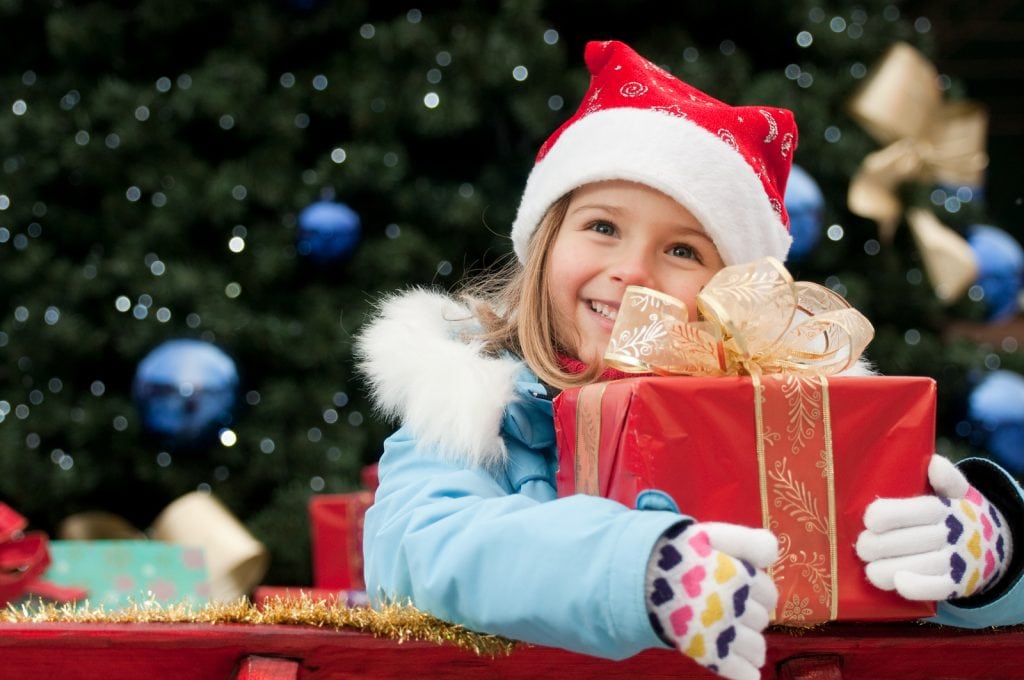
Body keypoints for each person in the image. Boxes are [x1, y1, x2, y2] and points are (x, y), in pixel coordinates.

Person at [355, 40, 1024, 680]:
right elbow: (418, 548)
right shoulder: (472, 406)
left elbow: (881, 573)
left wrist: (994, 554)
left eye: (683, 251)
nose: (634, 272)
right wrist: (633, 566)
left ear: (731, 292)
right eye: (603, 227)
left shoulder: (790, 423)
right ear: (545, 243)